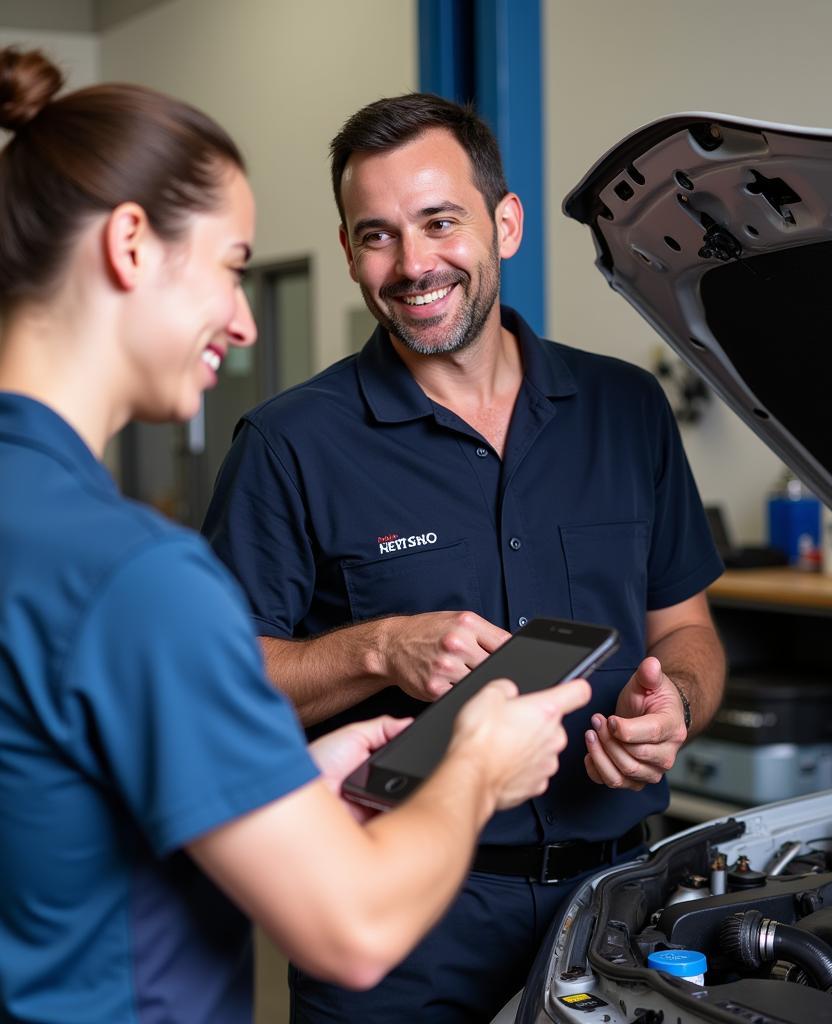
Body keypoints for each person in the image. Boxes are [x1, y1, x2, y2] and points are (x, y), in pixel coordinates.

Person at [0, 50, 593, 1024]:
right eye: (232, 268)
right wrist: (480, 765)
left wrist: (278, 780)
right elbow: (351, 929)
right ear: (131, 245)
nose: (240, 321)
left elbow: (55, 805)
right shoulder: (136, 574)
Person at [202, 93, 727, 1021]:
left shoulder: (626, 410)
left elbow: (685, 628)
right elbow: (219, 685)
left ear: (506, 224)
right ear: (348, 250)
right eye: (378, 236)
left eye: (441, 222)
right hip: (400, 919)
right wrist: (378, 648)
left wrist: (673, 707)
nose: (413, 266)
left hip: (611, 906)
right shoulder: (290, 443)